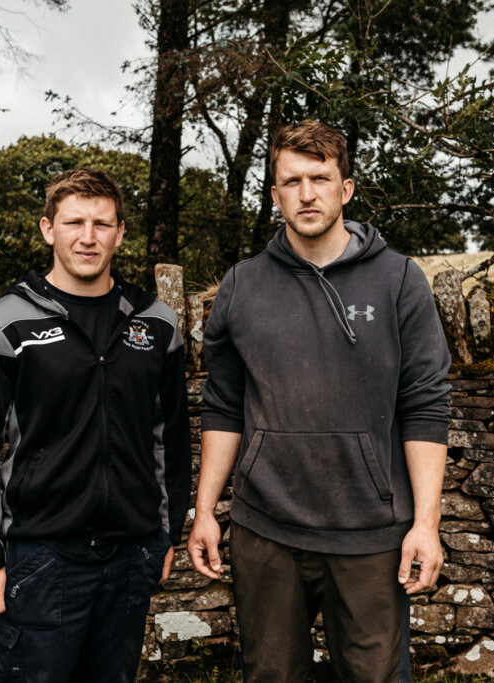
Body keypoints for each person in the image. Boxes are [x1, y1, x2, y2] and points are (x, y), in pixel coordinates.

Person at [187, 120, 451, 683]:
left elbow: (425, 406)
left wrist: (425, 525)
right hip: (265, 531)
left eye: (320, 179)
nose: (307, 194)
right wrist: (206, 510)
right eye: (292, 181)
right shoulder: (241, 286)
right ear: (275, 194)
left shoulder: (400, 281)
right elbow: (224, 406)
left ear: (346, 189)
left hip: (372, 533)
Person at [0, 168, 192, 683]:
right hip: (42, 557)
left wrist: (167, 534)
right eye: (74, 223)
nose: (88, 237)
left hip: (130, 555)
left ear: (120, 233)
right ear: (48, 229)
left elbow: (172, 436)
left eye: (102, 224)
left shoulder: (156, 323)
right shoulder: (7, 322)